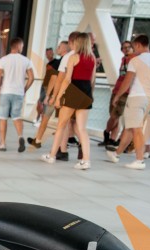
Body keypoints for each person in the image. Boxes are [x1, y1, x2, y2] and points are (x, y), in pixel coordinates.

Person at [106, 34, 150, 169]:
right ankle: (117, 153)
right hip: (149, 98)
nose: (133, 50)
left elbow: (127, 81)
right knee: (130, 127)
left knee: (136, 129)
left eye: (133, 47)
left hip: (136, 97)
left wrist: (117, 96)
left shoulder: (135, 61)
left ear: (138, 45)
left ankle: (139, 160)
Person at [41, 33, 96, 169]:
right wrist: (89, 95)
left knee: (61, 125)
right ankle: (86, 160)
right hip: (86, 92)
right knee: (82, 128)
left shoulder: (73, 57)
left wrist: (58, 97)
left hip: (73, 92)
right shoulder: (92, 58)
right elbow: (93, 80)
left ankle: (52, 155)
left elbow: (67, 79)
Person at [0, 37, 34, 151]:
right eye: (22, 46)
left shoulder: (3, 60)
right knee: (17, 117)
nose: (22, 48)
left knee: (3, 118)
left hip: (5, 92)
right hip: (18, 93)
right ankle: (20, 137)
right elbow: (32, 78)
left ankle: (2, 144)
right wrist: (24, 89)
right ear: (19, 46)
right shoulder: (26, 60)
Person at [28, 40, 68, 149]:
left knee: (48, 118)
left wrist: (49, 95)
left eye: (59, 47)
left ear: (65, 49)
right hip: (59, 93)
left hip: (55, 94)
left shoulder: (62, 62)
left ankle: (59, 146)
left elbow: (54, 79)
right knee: (61, 121)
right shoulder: (62, 61)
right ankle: (39, 140)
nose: (57, 48)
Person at [100, 40, 135, 148]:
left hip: (126, 91)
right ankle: (111, 139)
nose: (126, 49)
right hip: (117, 90)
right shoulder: (123, 59)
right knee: (114, 115)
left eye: (128, 47)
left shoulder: (134, 60)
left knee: (116, 115)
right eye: (124, 48)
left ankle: (107, 133)